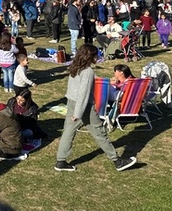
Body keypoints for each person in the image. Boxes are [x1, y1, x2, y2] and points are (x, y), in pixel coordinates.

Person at [54, 44, 137, 172]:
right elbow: (83, 93)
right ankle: (117, 161)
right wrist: (77, 114)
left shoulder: (75, 67)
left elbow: (88, 81)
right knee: (100, 133)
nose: (97, 57)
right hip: (84, 106)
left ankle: (61, 161)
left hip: (72, 102)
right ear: (89, 56)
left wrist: (107, 81)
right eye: (95, 54)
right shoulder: (87, 71)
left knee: (68, 132)